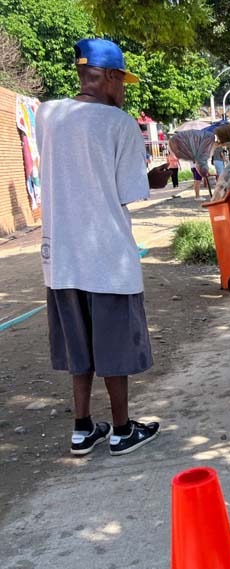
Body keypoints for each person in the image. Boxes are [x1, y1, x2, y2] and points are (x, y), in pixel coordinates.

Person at [36, 38, 160, 457]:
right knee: (114, 348)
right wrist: (156, 179)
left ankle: (82, 427)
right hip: (107, 255)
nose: (123, 89)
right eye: (121, 81)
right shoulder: (120, 124)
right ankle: (123, 430)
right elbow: (129, 192)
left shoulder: (47, 114)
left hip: (61, 257)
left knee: (79, 347)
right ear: (107, 77)